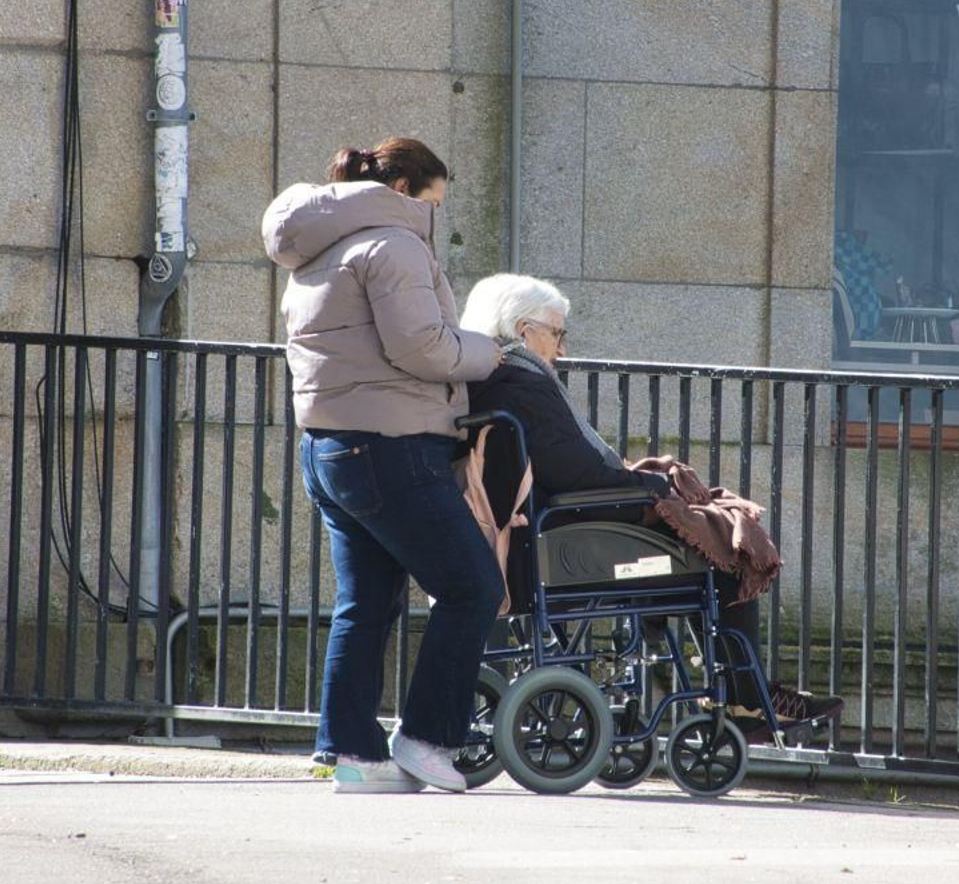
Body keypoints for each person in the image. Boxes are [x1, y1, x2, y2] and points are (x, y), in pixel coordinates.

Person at [459, 274, 835, 739]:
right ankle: (746, 700)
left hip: (553, 531)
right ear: (522, 330)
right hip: (572, 533)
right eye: (556, 333)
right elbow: (577, 473)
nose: (562, 348)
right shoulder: (523, 383)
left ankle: (743, 694)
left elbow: (569, 466)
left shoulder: (494, 381)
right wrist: (652, 483)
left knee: (706, 541)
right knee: (728, 556)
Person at [264, 137, 505, 794]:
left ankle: (352, 753)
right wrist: (489, 352)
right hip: (391, 446)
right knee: (473, 586)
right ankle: (428, 738)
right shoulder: (392, 246)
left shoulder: (315, 250)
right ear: (404, 190)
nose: (436, 217)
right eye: (434, 202)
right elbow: (423, 346)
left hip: (330, 449)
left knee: (364, 604)